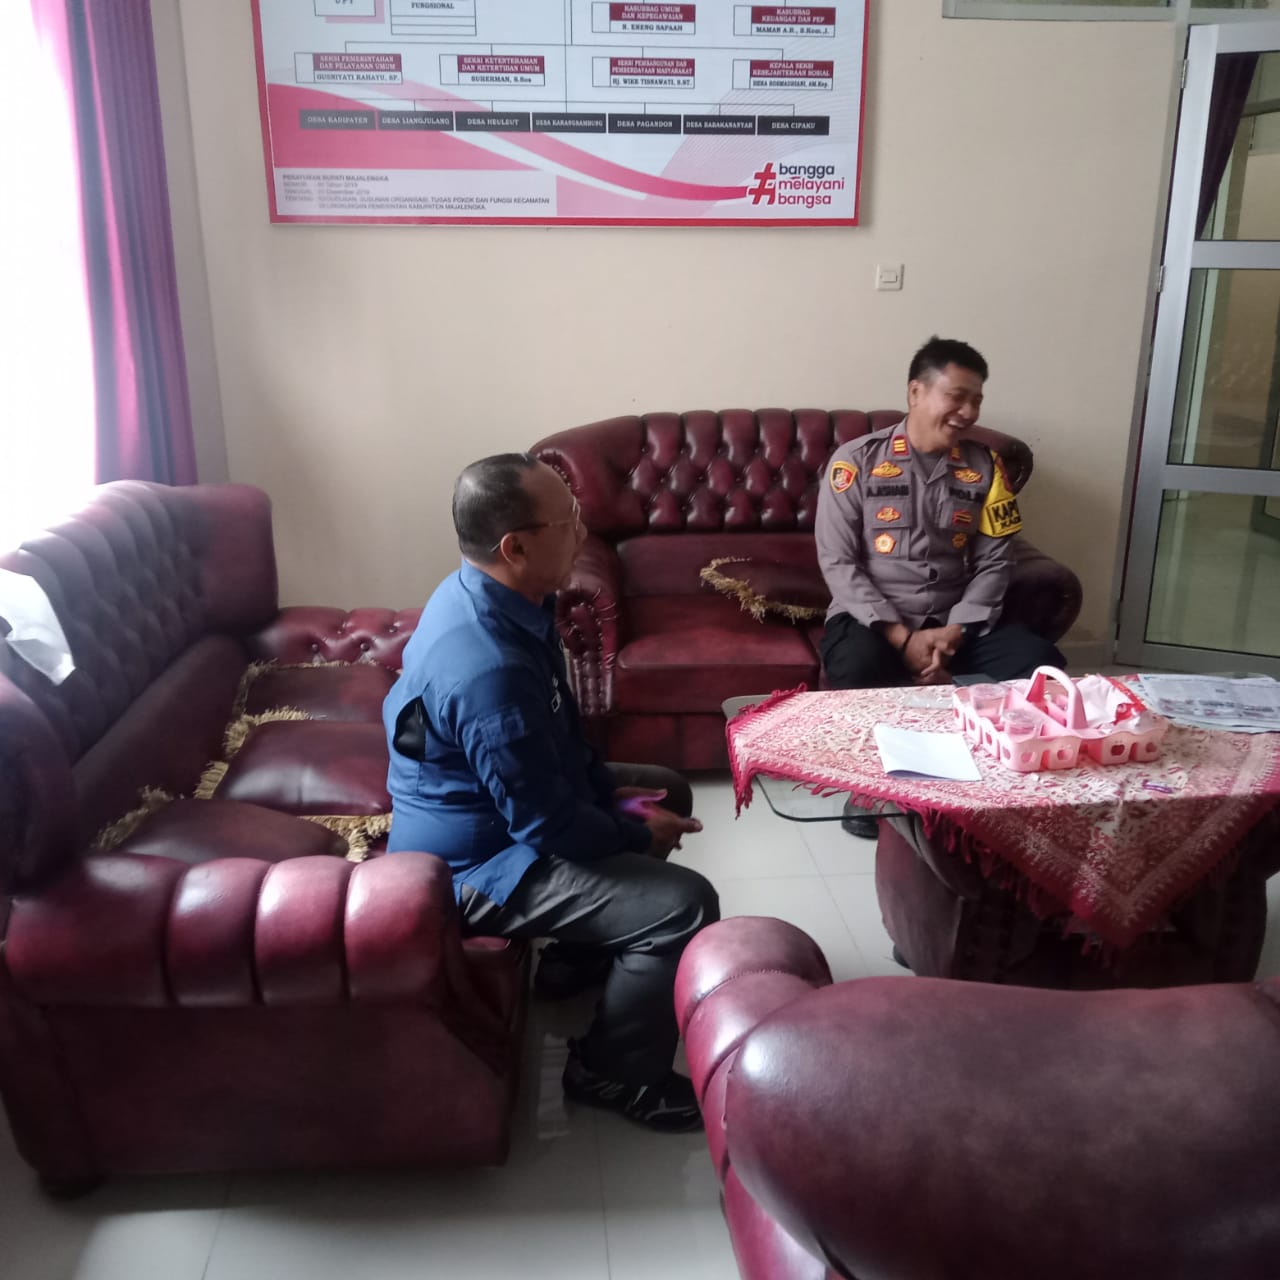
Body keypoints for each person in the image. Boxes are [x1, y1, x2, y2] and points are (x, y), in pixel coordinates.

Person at [383, 453, 719, 1133]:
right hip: (478, 865)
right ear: (515, 547)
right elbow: (545, 827)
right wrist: (632, 831)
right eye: (568, 522)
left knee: (666, 789)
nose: (583, 531)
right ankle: (612, 1071)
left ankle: (577, 954)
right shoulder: (489, 669)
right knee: (684, 906)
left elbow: (558, 738)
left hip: (505, 810)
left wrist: (610, 793)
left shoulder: (491, 595)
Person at [816, 336, 1064, 837]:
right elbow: (838, 561)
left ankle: (995, 782)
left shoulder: (986, 467)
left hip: (956, 620)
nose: (968, 411)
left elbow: (995, 561)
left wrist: (956, 631)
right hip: (873, 620)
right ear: (915, 392)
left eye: (976, 400)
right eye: (957, 396)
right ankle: (870, 789)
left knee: (1040, 665)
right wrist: (900, 637)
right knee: (858, 665)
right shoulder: (856, 461)